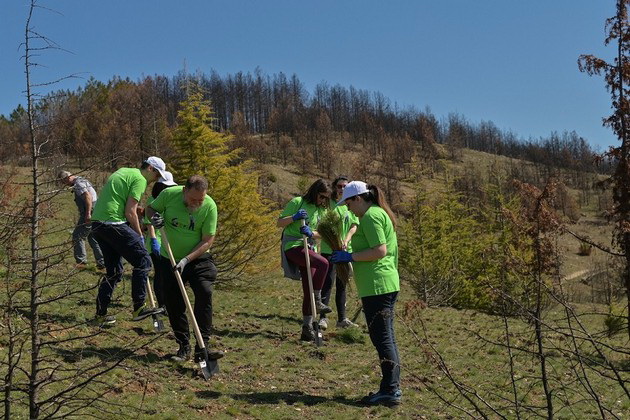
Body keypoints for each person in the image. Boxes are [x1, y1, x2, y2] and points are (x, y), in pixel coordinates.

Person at [332, 181, 402, 406]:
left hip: (378, 286)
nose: (348, 208)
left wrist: (349, 257)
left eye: (349, 203)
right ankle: (390, 387)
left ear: (359, 199)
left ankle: (391, 390)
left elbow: (379, 250)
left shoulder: (371, 217)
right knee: (385, 338)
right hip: (381, 284)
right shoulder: (375, 214)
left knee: (382, 339)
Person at [146, 175, 224, 362]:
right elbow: (150, 209)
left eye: (201, 199)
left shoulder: (210, 206)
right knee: (174, 302)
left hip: (198, 258)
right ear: (184, 191)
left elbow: (207, 240)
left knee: (204, 292)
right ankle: (183, 346)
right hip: (169, 258)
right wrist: (154, 218)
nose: (197, 203)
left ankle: (202, 346)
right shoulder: (168, 195)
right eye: (193, 199)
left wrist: (187, 260)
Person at [90, 157, 167, 327]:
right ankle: (139, 308)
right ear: (150, 169)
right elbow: (130, 211)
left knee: (114, 272)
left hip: (98, 225)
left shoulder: (124, 171)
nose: (156, 180)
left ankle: (100, 315)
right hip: (113, 224)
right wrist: (139, 234)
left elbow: (121, 201)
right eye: (157, 175)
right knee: (143, 261)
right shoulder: (140, 179)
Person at [277, 178, 333, 341]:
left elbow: (322, 233)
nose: (323, 200)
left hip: (309, 247)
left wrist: (311, 233)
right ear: (315, 192)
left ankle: (307, 328)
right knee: (323, 263)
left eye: (326, 198)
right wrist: (294, 217)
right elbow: (279, 223)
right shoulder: (297, 202)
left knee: (309, 286)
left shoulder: (321, 210)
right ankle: (318, 300)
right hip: (293, 246)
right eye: (321, 196)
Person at [318, 175, 359, 330]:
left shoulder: (348, 204)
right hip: (329, 250)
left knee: (342, 284)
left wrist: (347, 240)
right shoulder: (329, 204)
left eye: (345, 187)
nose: (342, 189)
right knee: (327, 283)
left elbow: (354, 224)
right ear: (334, 187)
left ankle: (342, 318)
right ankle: (323, 318)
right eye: (340, 186)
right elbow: (323, 224)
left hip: (345, 251)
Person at [142, 170, 177, 310]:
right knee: (160, 273)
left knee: (167, 273)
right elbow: (149, 223)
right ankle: (162, 303)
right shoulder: (153, 200)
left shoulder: (170, 199)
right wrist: (154, 241)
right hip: (155, 242)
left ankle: (168, 301)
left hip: (167, 242)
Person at [57, 170, 105, 269]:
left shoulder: (78, 184)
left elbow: (88, 197)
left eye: (64, 182)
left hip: (90, 211)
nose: (65, 184)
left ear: (67, 178)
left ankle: (81, 262)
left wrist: (88, 214)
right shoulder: (82, 180)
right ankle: (102, 262)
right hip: (96, 210)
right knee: (92, 237)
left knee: (78, 236)